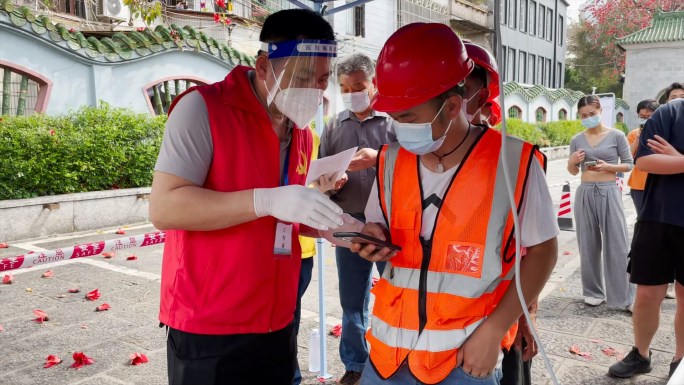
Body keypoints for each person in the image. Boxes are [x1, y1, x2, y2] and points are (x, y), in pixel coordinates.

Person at [350, 23, 559, 385]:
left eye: (408, 117)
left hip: (465, 358)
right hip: (386, 355)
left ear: (451, 106)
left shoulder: (513, 164)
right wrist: (372, 238)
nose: (397, 128)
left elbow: (543, 252)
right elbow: (379, 225)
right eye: (393, 118)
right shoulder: (390, 161)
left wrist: (495, 331)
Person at [149, 10, 346, 385]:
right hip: (210, 323)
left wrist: (330, 226)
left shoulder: (299, 129)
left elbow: (287, 211)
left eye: (321, 81)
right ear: (264, 66)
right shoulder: (203, 109)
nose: (314, 91)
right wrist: (265, 200)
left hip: (278, 316)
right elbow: (165, 207)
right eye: (303, 78)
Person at [463, 42, 539, 385]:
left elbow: (533, 252)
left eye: (463, 88)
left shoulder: (514, 165)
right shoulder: (410, 164)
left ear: (484, 96)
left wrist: (525, 317)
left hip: (499, 318)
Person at [319, 53, 396, 385]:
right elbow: (320, 176)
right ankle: (355, 365)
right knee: (352, 299)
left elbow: (417, 165)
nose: (352, 92)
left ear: (374, 84)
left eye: (359, 86)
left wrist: (379, 158)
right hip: (349, 223)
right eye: (345, 87)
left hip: (391, 225)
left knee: (397, 294)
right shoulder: (334, 126)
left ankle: (396, 358)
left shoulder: (395, 122)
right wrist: (329, 184)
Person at [608, 99, 684, 379]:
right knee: (647, 293)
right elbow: (646, 161)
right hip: (657, 218)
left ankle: (680, 360)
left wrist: (675, 158)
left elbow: (665, 163)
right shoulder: (670, 112)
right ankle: (641, 354)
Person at [567, 95, 635, 311]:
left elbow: (628, 164)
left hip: (609, 191)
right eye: (583, 115)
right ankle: (593, 291)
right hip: (585, 192)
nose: (588, 118)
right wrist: (571, 162)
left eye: (592, 114)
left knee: (617, 244)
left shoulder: (616, 135)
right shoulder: (577, 139)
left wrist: (608, 167)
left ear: (600, 112)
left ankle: (623, 295)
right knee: (587, 244)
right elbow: (573, 171)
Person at [627, 99, 659, 214]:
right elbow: (627, 158)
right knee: (642, 219)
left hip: (659, 184)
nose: (645, 119)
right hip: (638, 185)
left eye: (649, 116)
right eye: (642, 116)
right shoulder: (633, 134)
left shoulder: (663, 132)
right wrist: (637, 141)